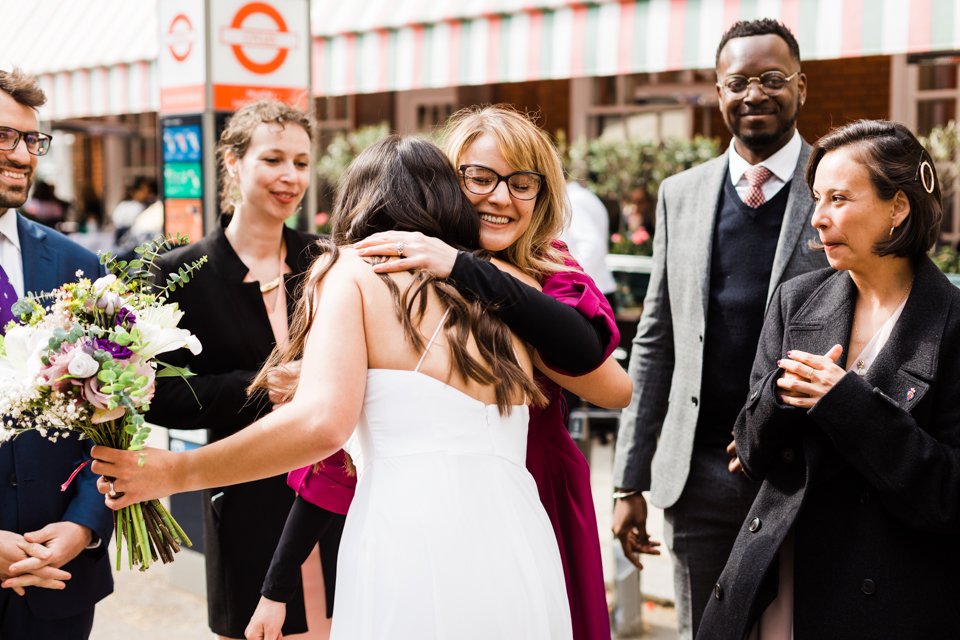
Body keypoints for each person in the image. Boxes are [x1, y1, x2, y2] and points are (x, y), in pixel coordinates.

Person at [92, 135, 574, 639]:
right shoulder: (512, 286)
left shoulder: (353, 273)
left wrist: (178, 471)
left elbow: (322, 426)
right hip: (518, 533)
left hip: (410, 534)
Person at [351, 104, 631, 640]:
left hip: (535, 481)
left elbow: (614, 387)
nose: (500, 198)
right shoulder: (401, 264)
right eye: (479, 178)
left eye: (522, 183)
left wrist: (470, 271)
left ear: (542, 195)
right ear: (447, 180)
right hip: (421, 500)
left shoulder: (553, 270)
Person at [699, 119, 960, 638]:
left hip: (885, 596)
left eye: (838, 199)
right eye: (816, 198)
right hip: (780, 577)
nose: (817, 218)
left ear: (897, 208)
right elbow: (749, 453)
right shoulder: (797, 298)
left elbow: (948, 495)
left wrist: (846, 402)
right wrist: (778, 394)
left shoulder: (951, 323)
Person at [611, 19, 828, 638]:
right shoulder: (680, 194)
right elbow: (654, 341)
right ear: (718, 90)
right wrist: (630, 478)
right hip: (697, 476)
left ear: (801, 87)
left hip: (802, 471)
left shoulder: (834, 188)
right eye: (738, 82)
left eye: (771, 79)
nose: (754, 93)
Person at [143, 100, 344, 640]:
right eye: (273, 159)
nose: (290, 177)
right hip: (245, 491)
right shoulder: (180, 273)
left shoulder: (326, 260)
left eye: (301, 163)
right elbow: (156, 395)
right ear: (233, 163)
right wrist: (257, 388)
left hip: (334, 492)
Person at [0, 68, 112, 640]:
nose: (21, 155)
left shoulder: (78, 266)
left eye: (30, 140)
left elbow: (114, 419)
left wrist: (85, 527)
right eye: (3, 136)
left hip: (60, 578)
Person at [562, 179, 617, 310]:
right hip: (597, 291)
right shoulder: (585, 196)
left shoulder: (572, 200)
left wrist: (567, 284)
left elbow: (592, 244)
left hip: (588, 295)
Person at [110, 176, 156, 246]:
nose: (147, 193)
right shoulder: (137, 207)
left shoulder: (122, 205)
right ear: (135, 191)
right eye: (144, 190)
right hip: (132, 245)